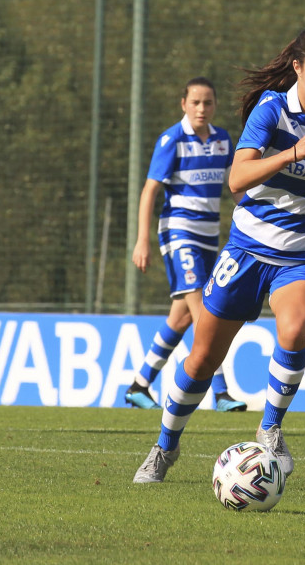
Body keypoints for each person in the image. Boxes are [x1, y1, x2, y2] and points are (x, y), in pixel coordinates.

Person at [133, 25, 305, 483]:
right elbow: (238, 180)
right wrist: (291, 153)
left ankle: (270, 429)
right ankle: (164, 449)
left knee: (297, 326)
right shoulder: (271, 112)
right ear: (299, 67)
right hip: (246, 249)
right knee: (202, 360)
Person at [123, 77, 247, 413]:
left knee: (181, 319)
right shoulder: (172, 139)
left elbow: (235, 185)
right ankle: (220, 393)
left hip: (209, 237)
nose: (202, 109)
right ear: (183, 104)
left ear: (215, 105)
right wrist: (142, 240)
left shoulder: (223, 140)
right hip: (178, 234)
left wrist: (253, 208)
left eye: (208, 103)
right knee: (207, 311)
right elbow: (150, 191)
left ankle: (139, 385)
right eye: (195, 102)